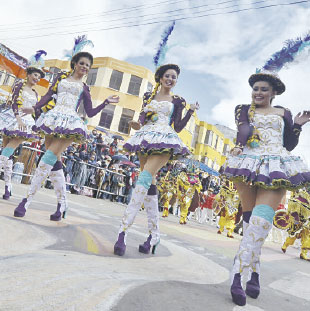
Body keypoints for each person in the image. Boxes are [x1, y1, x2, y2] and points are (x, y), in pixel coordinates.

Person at [220, 70, 310, 306]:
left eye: (263, 89)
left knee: (259, 224)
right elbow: (244, 131)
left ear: (273, 92)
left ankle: (237, 276)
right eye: (255, 88)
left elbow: (288, 145)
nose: (258, 92)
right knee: (250, 225)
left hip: (275, 166)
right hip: (248, 164)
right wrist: (239, 147)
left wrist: (298, 126)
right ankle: (254, 273)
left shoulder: (284, 113)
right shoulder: (243, 109)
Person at [14, 50, 119, 219]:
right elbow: (48, 96)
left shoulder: (84, 88)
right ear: (75, 63)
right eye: (82, 63)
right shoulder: (60, 79)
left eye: (88, 65)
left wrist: (106, 102)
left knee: (47, 158)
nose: (85, 67)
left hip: (71, 123)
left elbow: (90, 112)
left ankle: (26, 201)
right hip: (53, 119)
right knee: (55, 162)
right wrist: (34, 108)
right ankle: (62, 204)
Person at [114, 64, 199, 256]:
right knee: (149, 183)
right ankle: (154, 236)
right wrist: (136, 123)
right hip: (145, 138)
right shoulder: (148, 96)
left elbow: (177, 127)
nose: (170, 79)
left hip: (165, 139)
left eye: (174, 77)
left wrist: (190, 112)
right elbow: (143, 118)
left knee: (143, 179)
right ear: (160, 77)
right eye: (167, 76)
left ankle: (123, 232)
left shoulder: (178, 101)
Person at [0, 51, 45, 200]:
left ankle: (8, 188)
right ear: (29, 74)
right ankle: (8, 187)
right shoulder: (19, 85)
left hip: (25, 124)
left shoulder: (36, 94)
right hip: (13, 119)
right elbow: (14, 102)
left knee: (6, 153)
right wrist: (18, 118)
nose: (37, 78)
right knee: (7, 155)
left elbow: (35, 111)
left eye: (39, 76)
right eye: (35, 75)